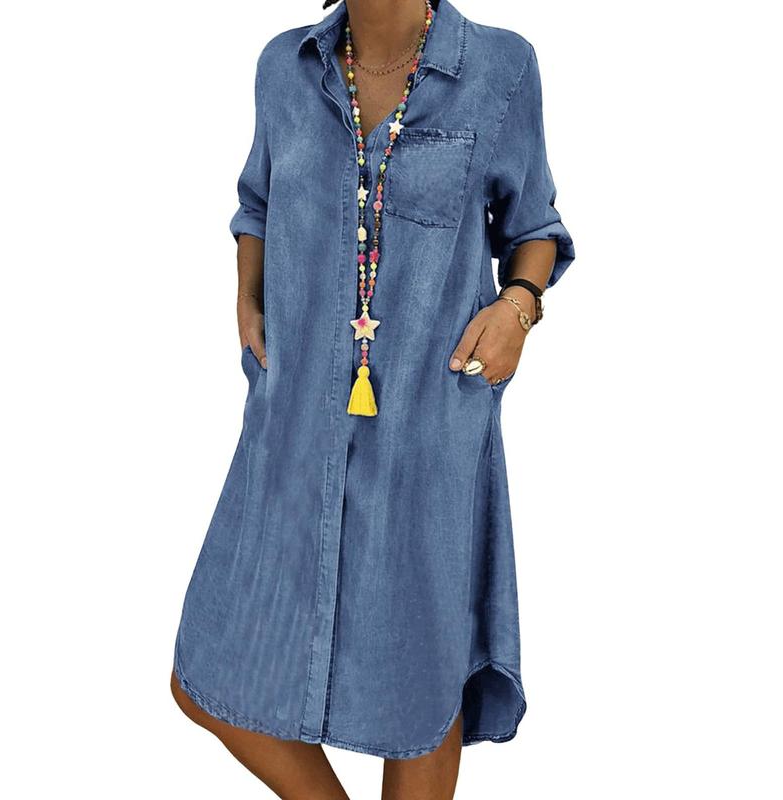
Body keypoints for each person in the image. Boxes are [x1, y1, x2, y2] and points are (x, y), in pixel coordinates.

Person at [170, 0, 575, 797]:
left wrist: (518, 307)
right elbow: (258, 203)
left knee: (423, 680)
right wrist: (246, 297)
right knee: (207, 676)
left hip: (429, 430)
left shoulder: (500, 66)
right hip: (289, 425)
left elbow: (534, 224)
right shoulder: (284, 67)